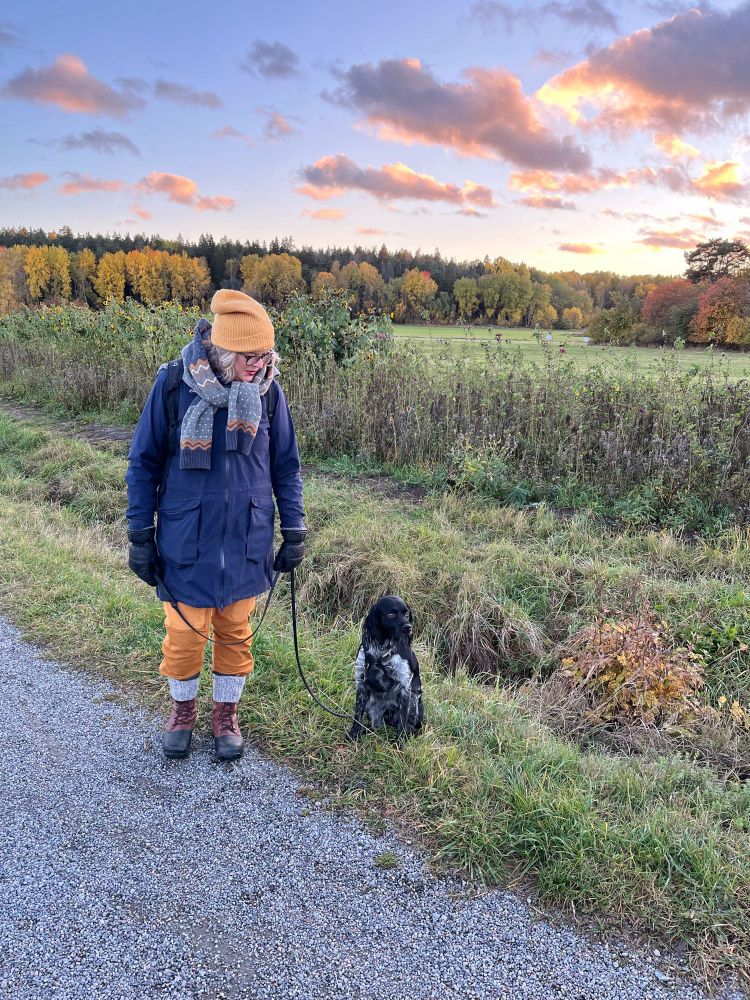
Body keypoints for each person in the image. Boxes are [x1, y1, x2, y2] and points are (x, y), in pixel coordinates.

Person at [125, 289, 306, 763]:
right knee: (184, 637)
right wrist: (140, 534)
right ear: (223, 350)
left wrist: (296, 529)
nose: (260, 364)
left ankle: (225, 713)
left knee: (236, 632)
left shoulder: (268, 393)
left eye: (266, 354)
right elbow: (143, 464)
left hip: (247, 537)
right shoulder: (173, 384)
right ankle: (182, 711)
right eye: (250, 355)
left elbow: (285, 466)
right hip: (188, 538)